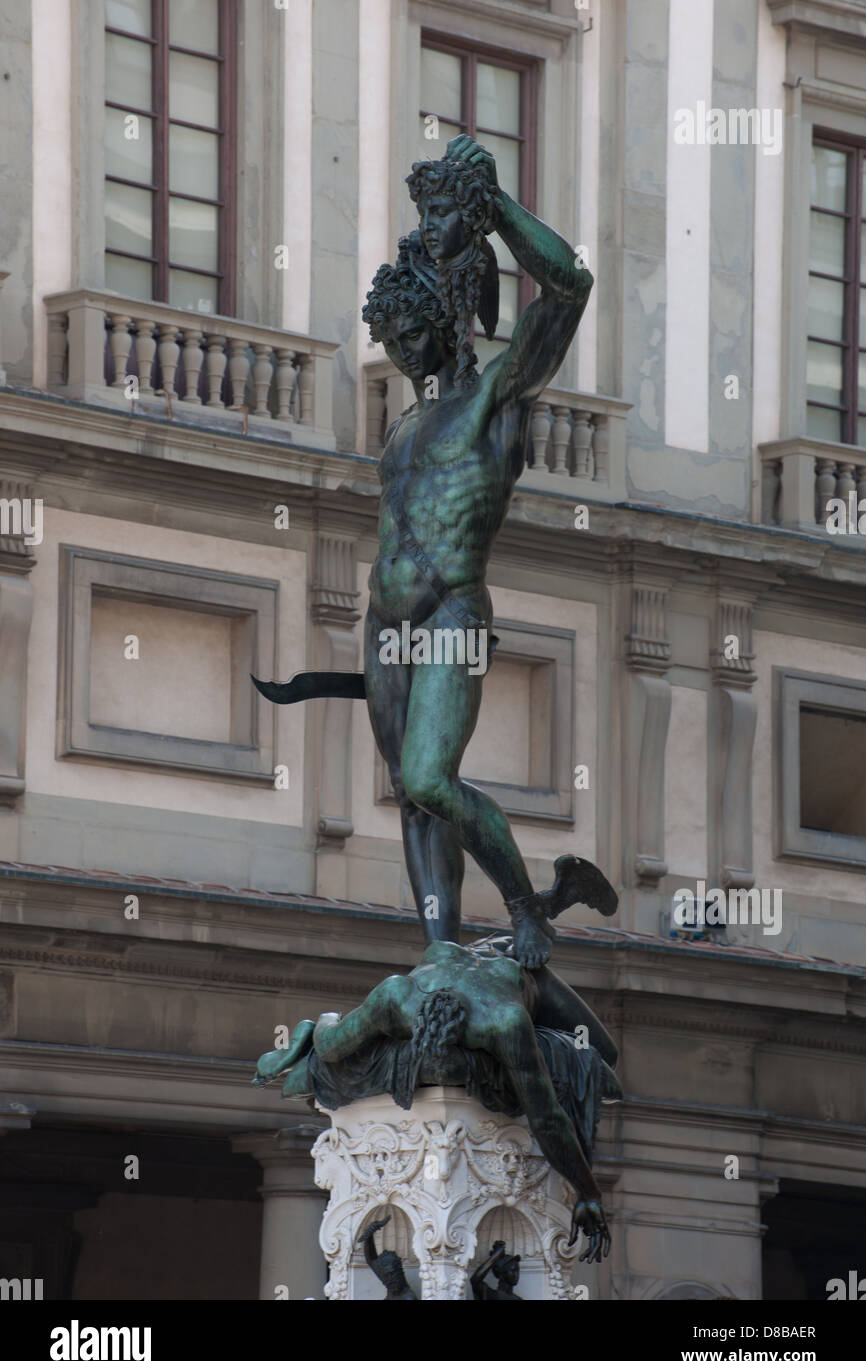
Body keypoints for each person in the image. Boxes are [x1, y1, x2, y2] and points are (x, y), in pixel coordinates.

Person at [357, 134, 600, 970]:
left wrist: (491, 212)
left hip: (454, 609)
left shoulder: (497, 394)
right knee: (412, 801)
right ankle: (441, 953)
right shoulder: (404, 424)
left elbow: (571, 284)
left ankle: (529, 908)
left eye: (409, 333)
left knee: (430, 778)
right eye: (388, 339)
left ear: (444, 310)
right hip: (383, 620)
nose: (397, 353)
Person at [254, 936, 619, 1262]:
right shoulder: (393, 995)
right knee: (333, 1047)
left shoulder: (503, 1021)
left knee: (605, 1054)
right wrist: (317, 1027)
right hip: (456, 956)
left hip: (520, 965)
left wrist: (589, 1193)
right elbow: (330, 1041)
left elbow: (548, 1117)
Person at [355, 1215, 418, 1300]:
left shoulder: (408, 1297)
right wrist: (369, 1235)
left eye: (392, 1274)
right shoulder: (390, 1282)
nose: (390, 1279)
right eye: (386, 1276)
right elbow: (371, 1259)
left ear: (400, 1273)